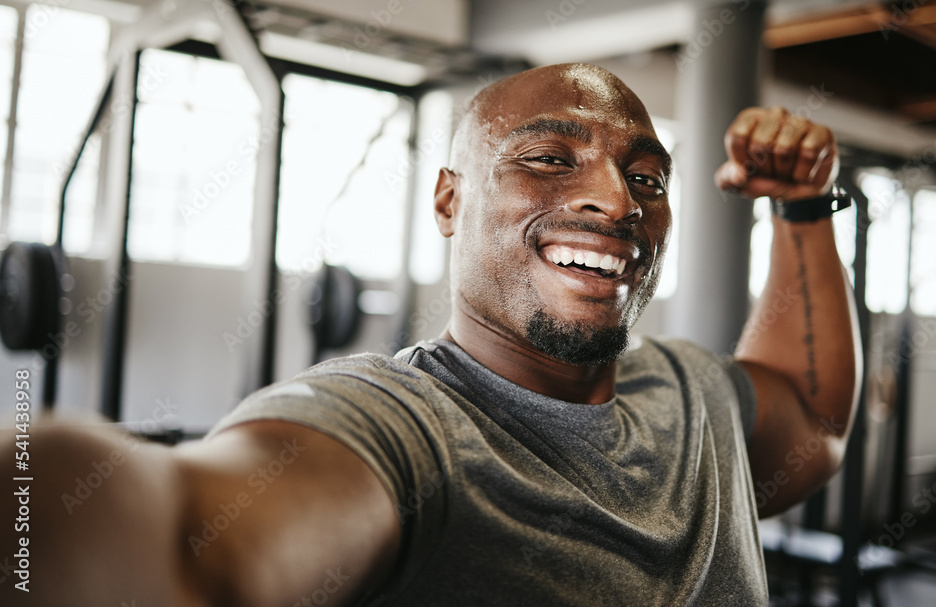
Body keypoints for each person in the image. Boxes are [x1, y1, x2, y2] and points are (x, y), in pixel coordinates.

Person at [2, 63, 859, 606]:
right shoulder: (397, 428)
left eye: (645, 175)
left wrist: (803, 207)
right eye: (550, 158)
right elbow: (184, 551)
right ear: (450, 201)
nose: (618, 200)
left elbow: (816, 422)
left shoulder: (691, 385)